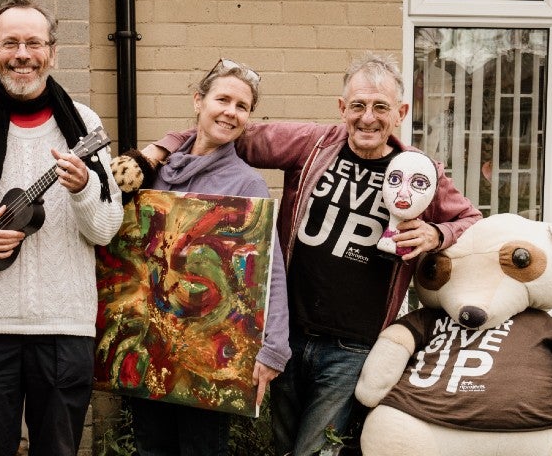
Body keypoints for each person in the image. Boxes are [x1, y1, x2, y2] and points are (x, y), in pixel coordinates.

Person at [146, 54, 482, 455]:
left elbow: (472, 219)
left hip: (353, 346)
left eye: (380, 107)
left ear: (401, 113)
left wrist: (437, 232)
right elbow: (225, 128)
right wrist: (157, 149)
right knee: (283, 445)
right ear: (343, 108)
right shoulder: (312, 144)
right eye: (357, 105)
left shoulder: (419, 170)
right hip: (290, 333)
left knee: (313, 449)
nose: (368, 118)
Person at [0, 0, 124, 456]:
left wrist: (82, 190)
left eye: (33, 43)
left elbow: (106, 227)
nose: (22, 55)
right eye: (9, 43)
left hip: (64, 328)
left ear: (52, 51)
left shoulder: (85, 125)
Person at [123, 59, 291, 456]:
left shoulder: (245, 182)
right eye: (223, 99)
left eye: (242, 106)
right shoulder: (154, 172)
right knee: (150, 447)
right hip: (149, 343)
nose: (230, 112)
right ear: (198, 101)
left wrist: (274, 348)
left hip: (208, 355)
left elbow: (271, 271)